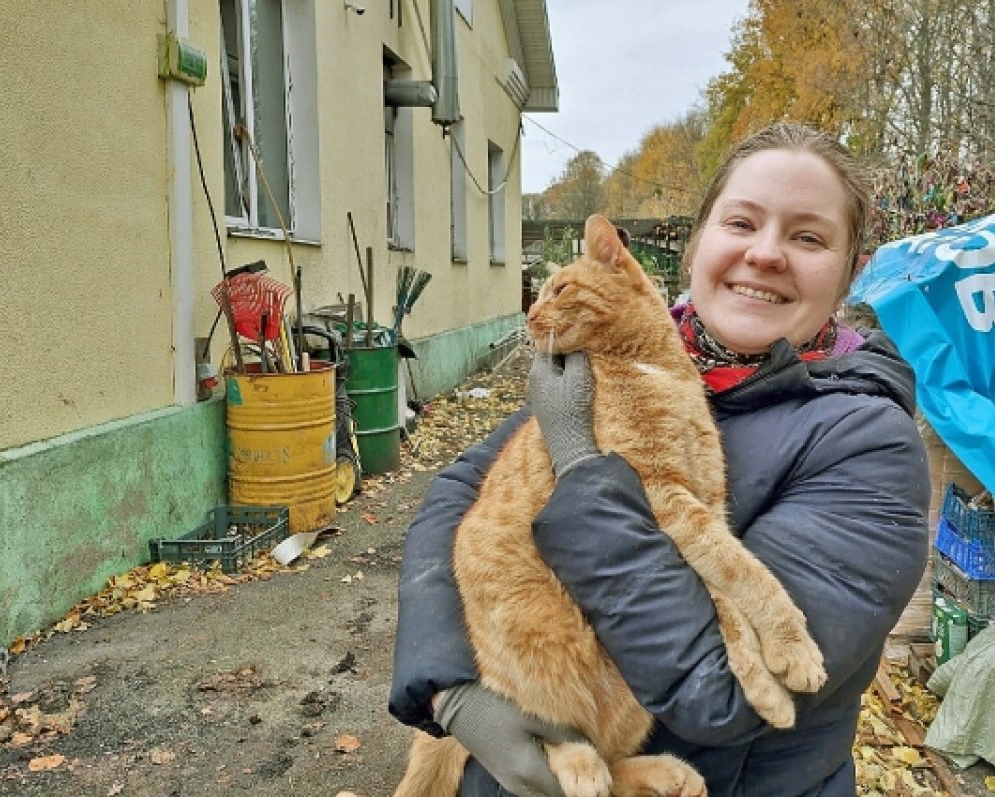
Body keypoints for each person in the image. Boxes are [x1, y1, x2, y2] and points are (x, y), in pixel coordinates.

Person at [388, 122, 931, 797]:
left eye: (808, 237)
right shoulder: (615, 351)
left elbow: (723, 691)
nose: (765, 253)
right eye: (742, 221)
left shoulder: (866, 443)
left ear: (851, 271)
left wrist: (580, 464)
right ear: (697, 243)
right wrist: (448, 690)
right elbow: (454, 498)